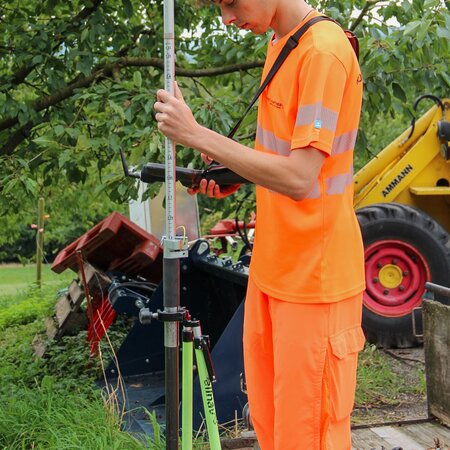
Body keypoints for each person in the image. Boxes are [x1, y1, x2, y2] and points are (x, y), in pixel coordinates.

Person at [154, 0, 366, 448]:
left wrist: (195, 134)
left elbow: (300, 176)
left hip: (315, 281)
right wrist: (233, 172)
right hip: (273, 273)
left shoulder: (322, 53)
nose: (227, 18)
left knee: (309, 435)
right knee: (274, 428)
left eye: (230, 2)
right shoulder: (281, 43)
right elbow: (281, 160)